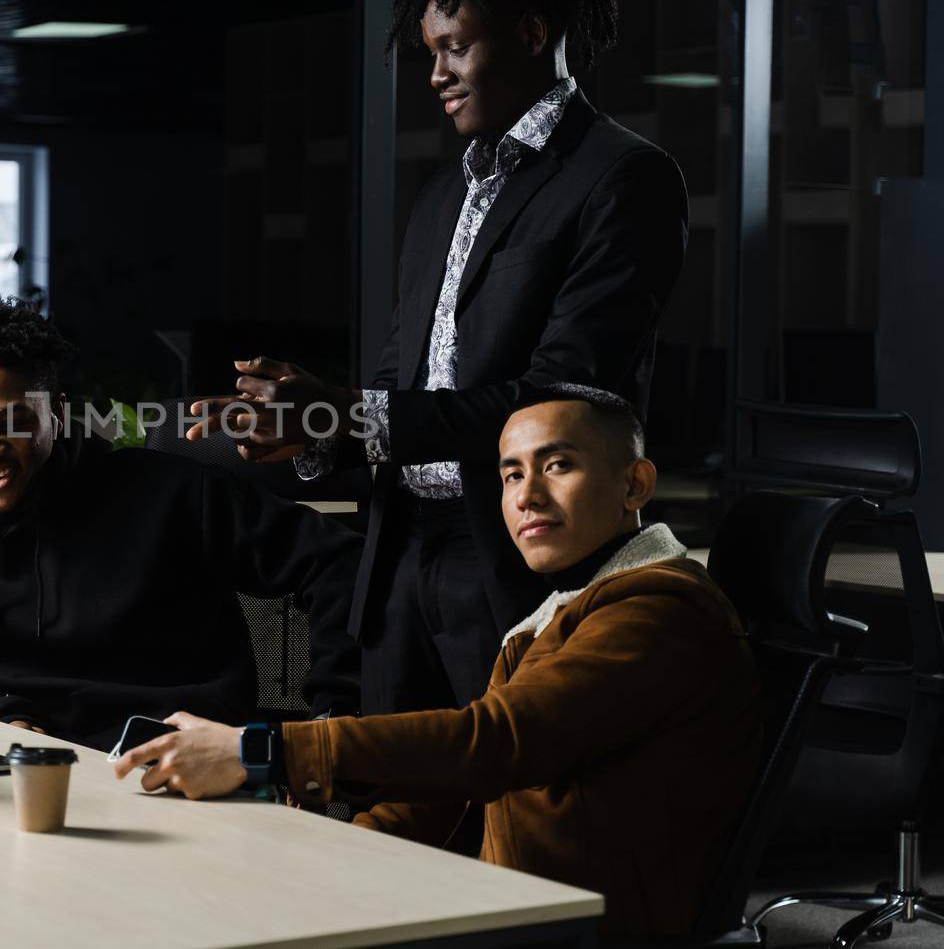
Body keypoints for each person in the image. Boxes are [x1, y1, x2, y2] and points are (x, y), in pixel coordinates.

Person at [187, 0, 690, 719]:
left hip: (516, 564)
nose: (436, 75)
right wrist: (311, 425)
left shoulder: (625, 178)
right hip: (399, 562)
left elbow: (562, 396)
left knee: (509, 823)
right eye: (429, 52)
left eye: (453, 47)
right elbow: (401, 382)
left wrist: (344, 410)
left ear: (530, 34)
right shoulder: (442, 195)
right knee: (391, 812)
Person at [115, 386, 762, 939]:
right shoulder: (568, 609)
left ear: (634, 483)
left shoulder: (657, 608)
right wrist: (330, 852)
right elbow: (455, 787)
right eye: (510, 474)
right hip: (504, 904)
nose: (527, 495)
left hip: (573, 927)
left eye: (557, 464)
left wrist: (259, 751)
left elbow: (494, 742)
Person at [0, 298, 363, 751]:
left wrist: (331, 721)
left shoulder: (172, 495)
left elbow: (338, 561)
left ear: (55, 415)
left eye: (13, 422)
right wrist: (8, 721)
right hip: (31, 764)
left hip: (182, 759)